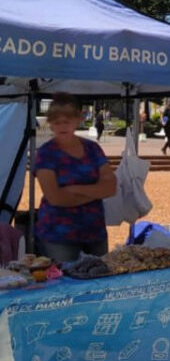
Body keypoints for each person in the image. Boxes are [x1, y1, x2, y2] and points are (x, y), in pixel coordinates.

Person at [34, 93, 116, 263]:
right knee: (62, 285)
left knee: (100, 282)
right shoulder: (45, 154)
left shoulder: (92, 148)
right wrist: (95, 192)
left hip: (95, 232)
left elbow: (111, 187)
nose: (62, 126)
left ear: (77, 120)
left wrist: (75, 189)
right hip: (58, 235)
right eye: (57, 122)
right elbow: (55, 198)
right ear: (50, 124)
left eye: (67, 121)